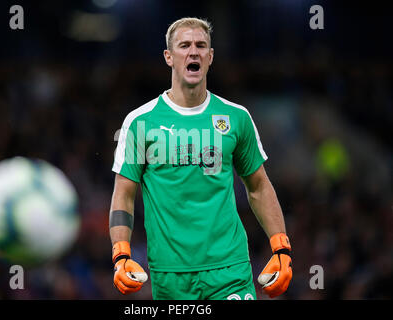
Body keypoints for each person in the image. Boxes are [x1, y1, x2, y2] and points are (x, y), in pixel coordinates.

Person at [109, 17, 292, 300]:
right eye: (184, 45)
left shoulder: (236, 117)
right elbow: (123, 194)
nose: (193, 52)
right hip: (170, 277)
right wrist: (121, 253)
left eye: (201, 46)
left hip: (229, 270)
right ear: (169, 57)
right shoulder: (139, 122)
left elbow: (258, 186)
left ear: (210, 57)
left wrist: (281, 247)